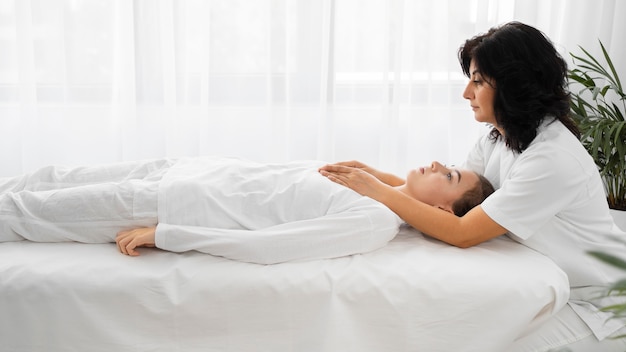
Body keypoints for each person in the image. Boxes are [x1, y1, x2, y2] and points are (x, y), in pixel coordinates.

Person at [319, 21, 626, 351]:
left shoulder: (551, 159)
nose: (467, 93)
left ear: (513, 86)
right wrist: (379, 177)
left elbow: (462, 230)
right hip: (554, 284)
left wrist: (376, 190)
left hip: (600, 304)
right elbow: (455, 196)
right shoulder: (501, 136)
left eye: (478, 82)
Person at [0, 156, 492, 265]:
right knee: (48, 177)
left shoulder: (375, 220)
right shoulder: (375, 189)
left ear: (446, 213)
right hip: (183, 170)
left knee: (24, 211)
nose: (436, 163)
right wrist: (379, 177)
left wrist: (166, 234)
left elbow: (268, 247)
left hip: (168, 202)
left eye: (448, 176)